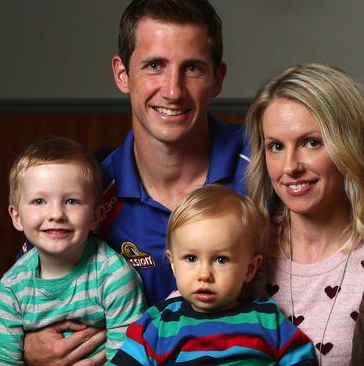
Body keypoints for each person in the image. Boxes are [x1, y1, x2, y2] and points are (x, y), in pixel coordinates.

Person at [22, 0, 249, 364]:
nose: (172, 91)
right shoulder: (86, 191)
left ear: (217, 78)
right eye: (154, 66)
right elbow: (27, 300)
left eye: (192, 68)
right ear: (122, 73)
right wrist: (27, 346)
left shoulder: (266, 165)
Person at [244, 63, 364, 366]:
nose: (290, 166)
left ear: (351, 147)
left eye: (311, 142)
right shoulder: (242, 243)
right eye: (276, 146)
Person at [111, 185, 317, 365]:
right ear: (173, 264)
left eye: (221, 260)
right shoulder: (158, 323)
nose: (204, 275)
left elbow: (301, 357)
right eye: (191, 258)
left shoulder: (267, 318)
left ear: (250, 269)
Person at [0, 136, 146, 364]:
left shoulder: (115, 277)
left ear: (96, 216)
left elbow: (128, 355)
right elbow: (3, 358)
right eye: (39, 201)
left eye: (71, 201)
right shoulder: (12, 286)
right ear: (17, 217)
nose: (56, 214)